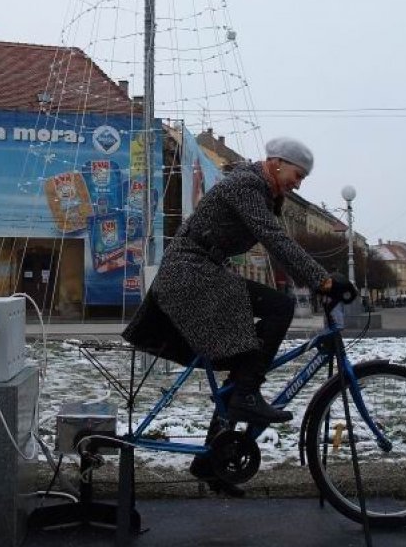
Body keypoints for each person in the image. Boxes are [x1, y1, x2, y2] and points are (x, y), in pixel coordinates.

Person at [123, 137, 345, 494]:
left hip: (205, 270)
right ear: (276, 162)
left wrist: (322, 279)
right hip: (190, 273)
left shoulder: (262, 190)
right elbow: (275, 240)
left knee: (242, 366)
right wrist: (323, 280)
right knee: (279, 307)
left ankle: (212, 462)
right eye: (297, 174)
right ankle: (247, 395)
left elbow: (277, 240)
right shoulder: (246, 184)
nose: (298, 183)